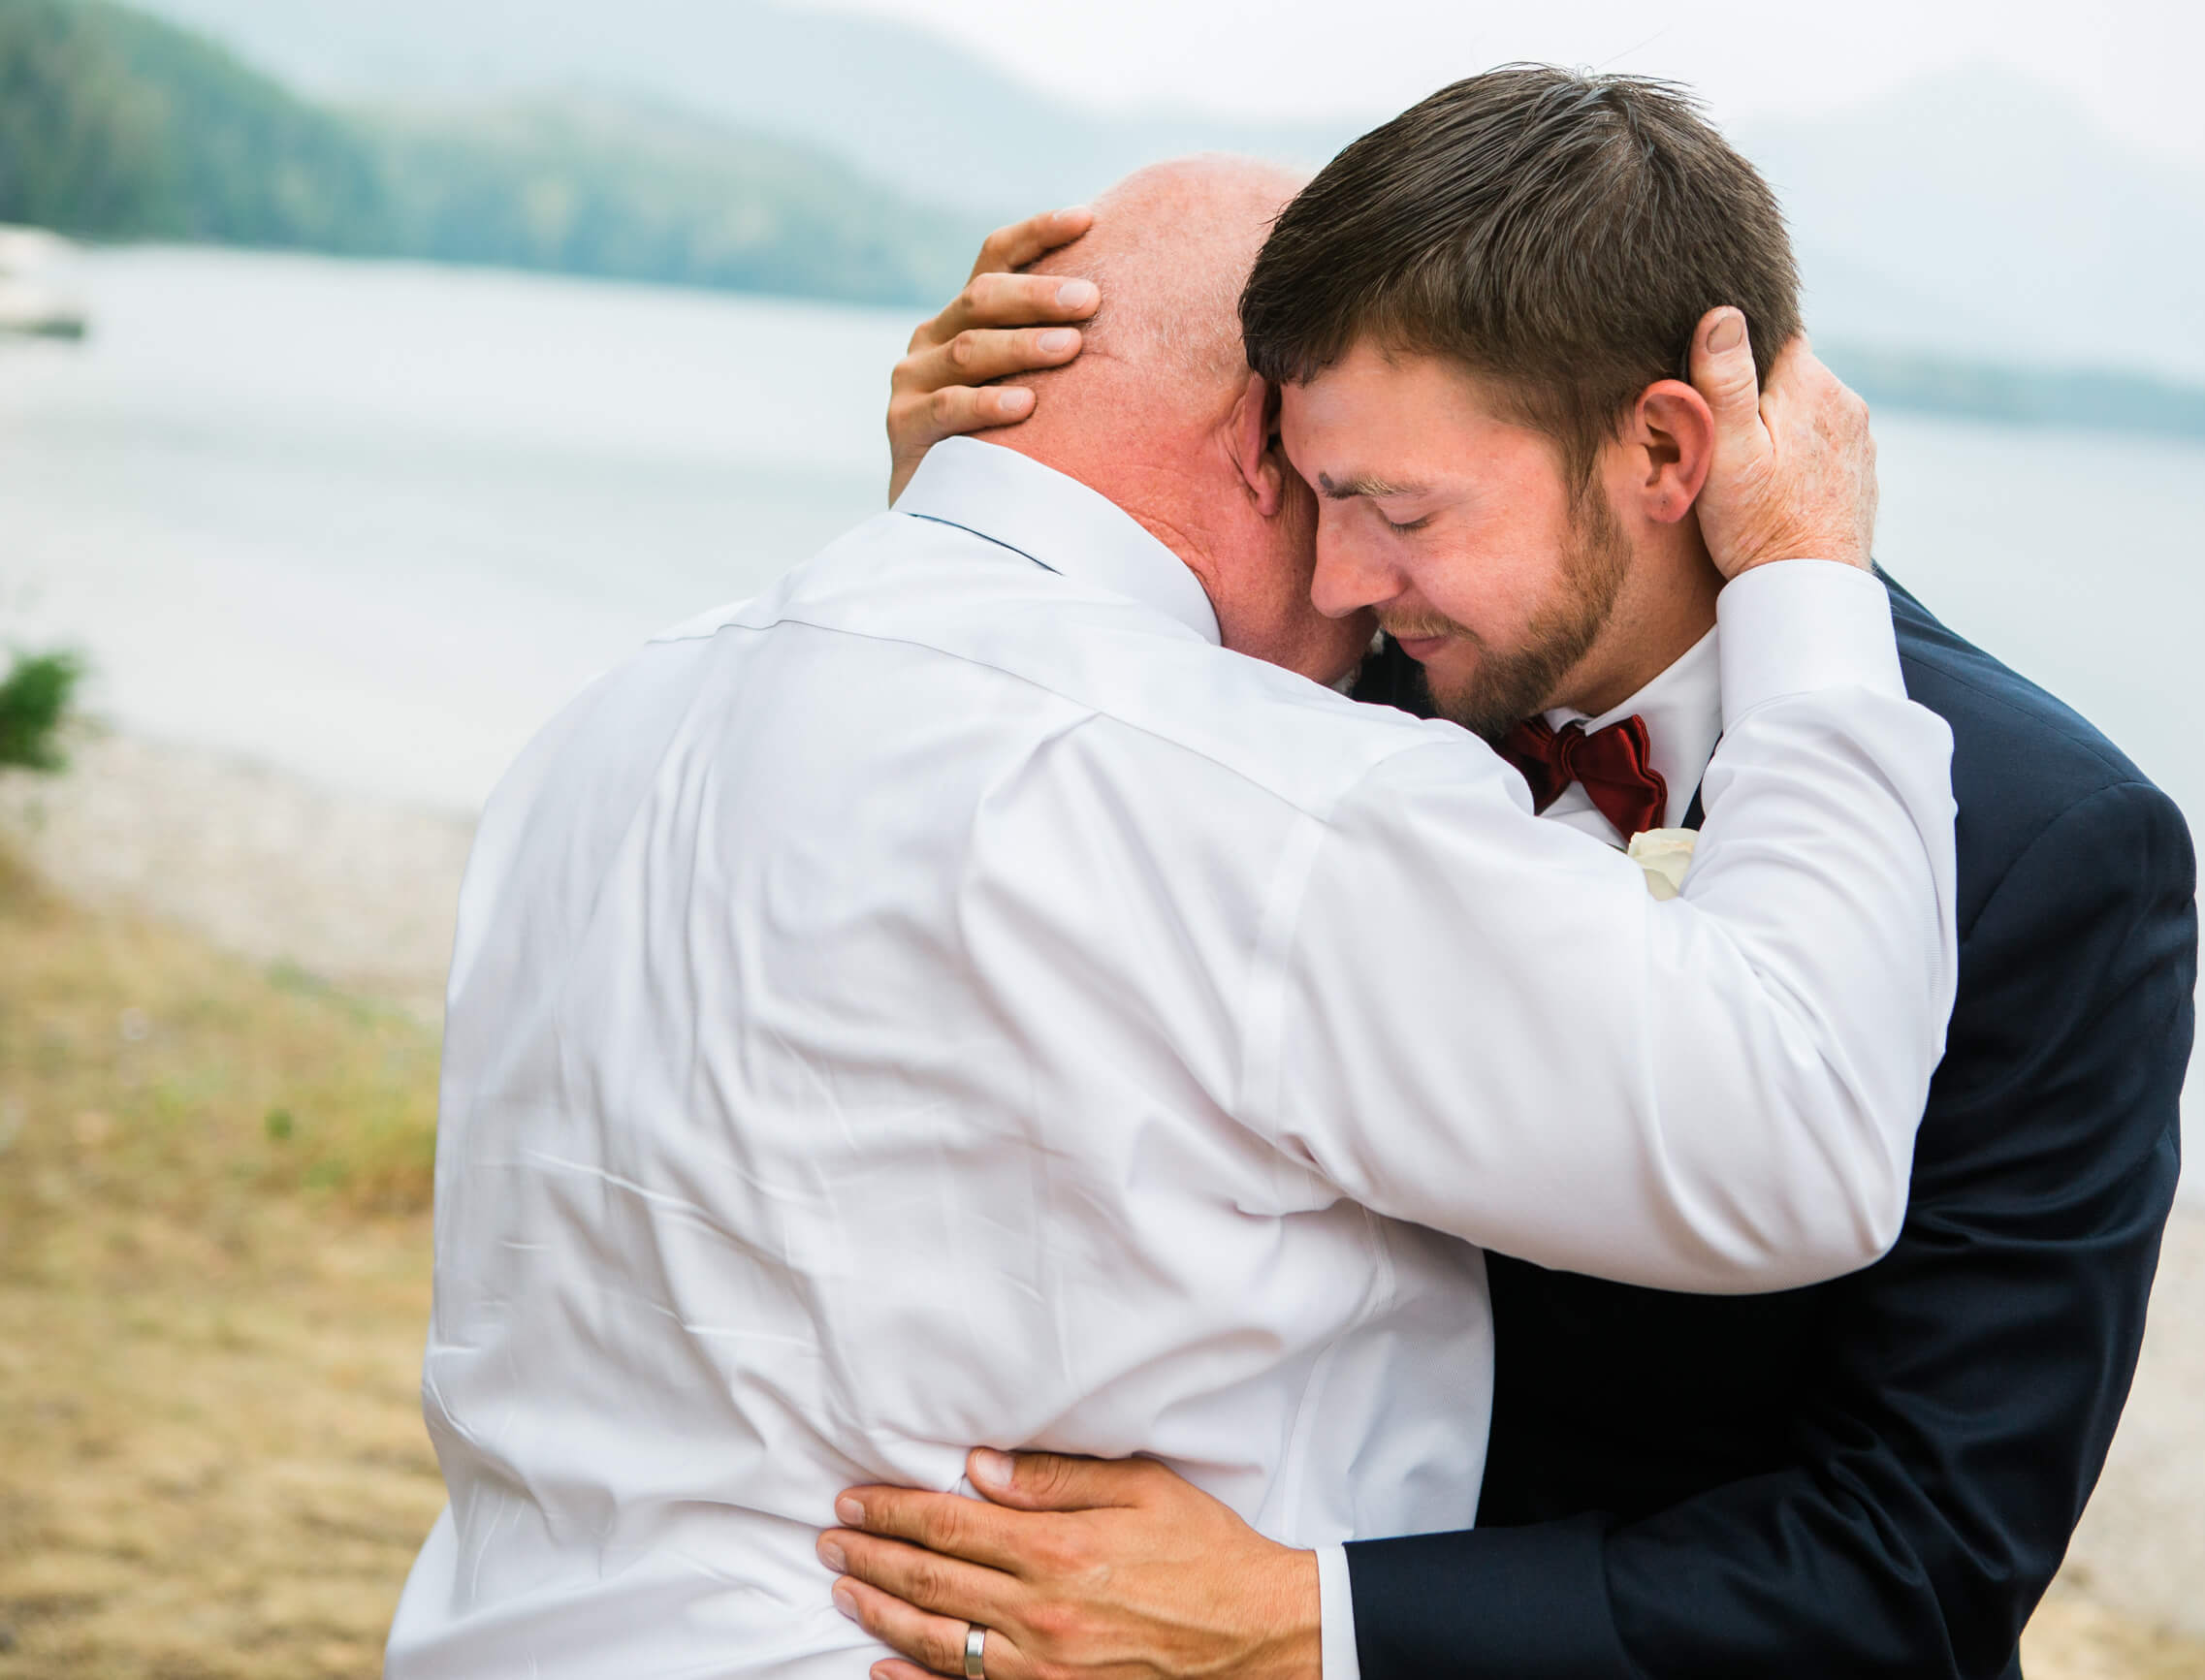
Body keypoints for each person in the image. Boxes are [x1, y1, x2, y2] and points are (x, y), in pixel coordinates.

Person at [383, 148, 1957, 1678]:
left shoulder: (610, 717)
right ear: (1263, 440)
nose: (1354, 587)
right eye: (1345, 484)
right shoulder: (1260, 793)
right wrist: (1807, 583)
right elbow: (1797, 1125)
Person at [820, 68, 2197, 1680]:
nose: (1339, 576)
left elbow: (1915, 1560)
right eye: (1323, 493)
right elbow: (1010, 834)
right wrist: (977, 513)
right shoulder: (1340, 677)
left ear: (1666, 450)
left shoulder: (2050, 843)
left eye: (1400, 508)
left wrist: (1305, 1621)